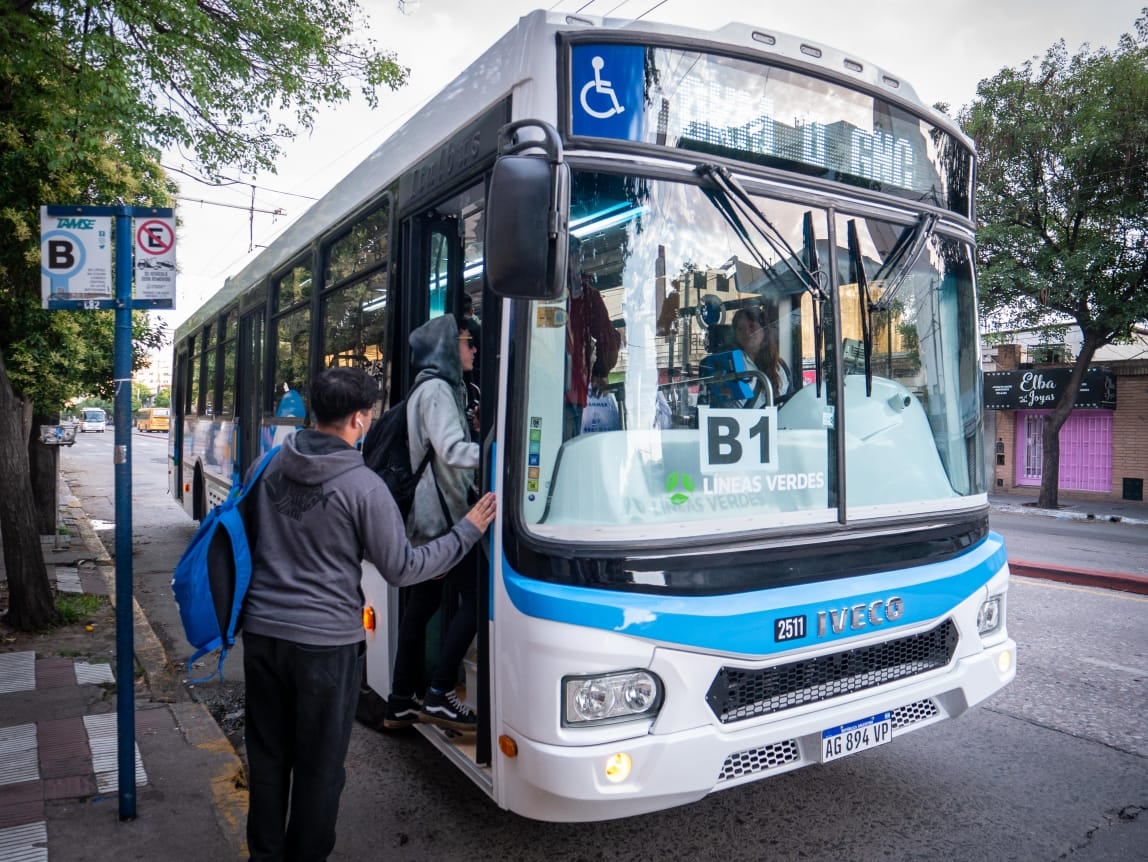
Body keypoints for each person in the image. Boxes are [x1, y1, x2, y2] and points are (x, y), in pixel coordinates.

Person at [241, 366, 496, 862]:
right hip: (325, 646)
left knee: (268, 757)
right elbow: (403, 568)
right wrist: (466, 530)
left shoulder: (265, 466)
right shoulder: (363, 486)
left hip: (262, 636)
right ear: (359, 419)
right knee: (319, 767)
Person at [386, 314, 484, 732]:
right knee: (479, 598)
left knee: (421, 607)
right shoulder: (439, 390)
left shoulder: (430, 388)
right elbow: (452, 451)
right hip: (443, 519)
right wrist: (499, 449)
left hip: (425, 517)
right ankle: (440, 693)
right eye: (467, 341)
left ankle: (400, 701)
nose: (473, 349)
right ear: (446, 347)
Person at [564, 238, 621, 437]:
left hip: (541, 389)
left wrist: (600, 369)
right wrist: (601, 371)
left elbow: (609, 339)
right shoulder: (588, 296)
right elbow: (609, 339)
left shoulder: (538, 291)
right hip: (572, 394)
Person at [731, 304, 791, 407]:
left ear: (764, 330)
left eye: (752, 326)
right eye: (740, 329)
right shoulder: (732, 363)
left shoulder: (780, 367)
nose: (747, 332)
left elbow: (789, 404)